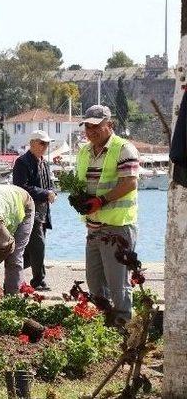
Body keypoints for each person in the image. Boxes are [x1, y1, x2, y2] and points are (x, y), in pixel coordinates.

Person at [74, 105, 139, 323]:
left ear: (109, 125)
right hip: (93, 227)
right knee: (95, 283)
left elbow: (130, 182)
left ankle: (122, 326)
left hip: (117, 227)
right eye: (87, 127)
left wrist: (100, 201)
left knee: (118, 283)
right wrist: (78, 199)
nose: (90, 131)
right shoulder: (84, 151)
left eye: (96, 126)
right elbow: (81, 183)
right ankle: (105, 325)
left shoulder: (123, 148)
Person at [12, 130, 56, 291]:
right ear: (32, 143)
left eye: (47, 143)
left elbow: (49, 184)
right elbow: (20, 187)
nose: (46, 146)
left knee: (31, 252)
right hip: (28, 212)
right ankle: (38, 281)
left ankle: (13, 270)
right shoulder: (22, 162)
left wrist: (51, 192)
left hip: (43, 211)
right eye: (42, 143)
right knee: (38, 246)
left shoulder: (44, 162)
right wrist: (46, 193)